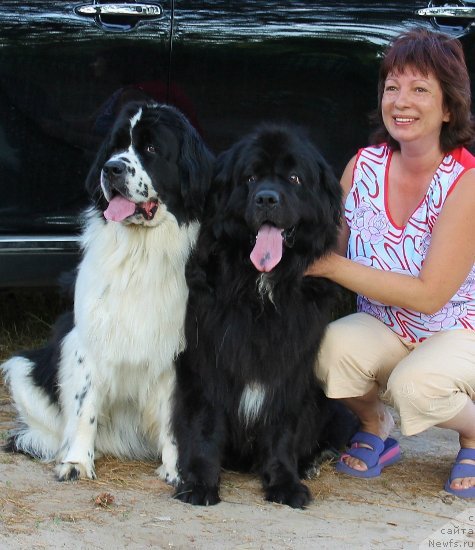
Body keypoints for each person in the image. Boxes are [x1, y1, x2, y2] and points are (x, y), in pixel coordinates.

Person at [307, 28, 475, 497]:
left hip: (457, 330)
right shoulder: (363, 165)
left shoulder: (466, 181)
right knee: (321, 348)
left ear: (447, 108)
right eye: (392, 87)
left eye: (420, 89)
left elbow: (429, 296)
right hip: (385, 327)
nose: (401, 101)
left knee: (415, 386)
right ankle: (376, 425)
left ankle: (474, 433)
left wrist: (330, 267)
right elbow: (326, 244)